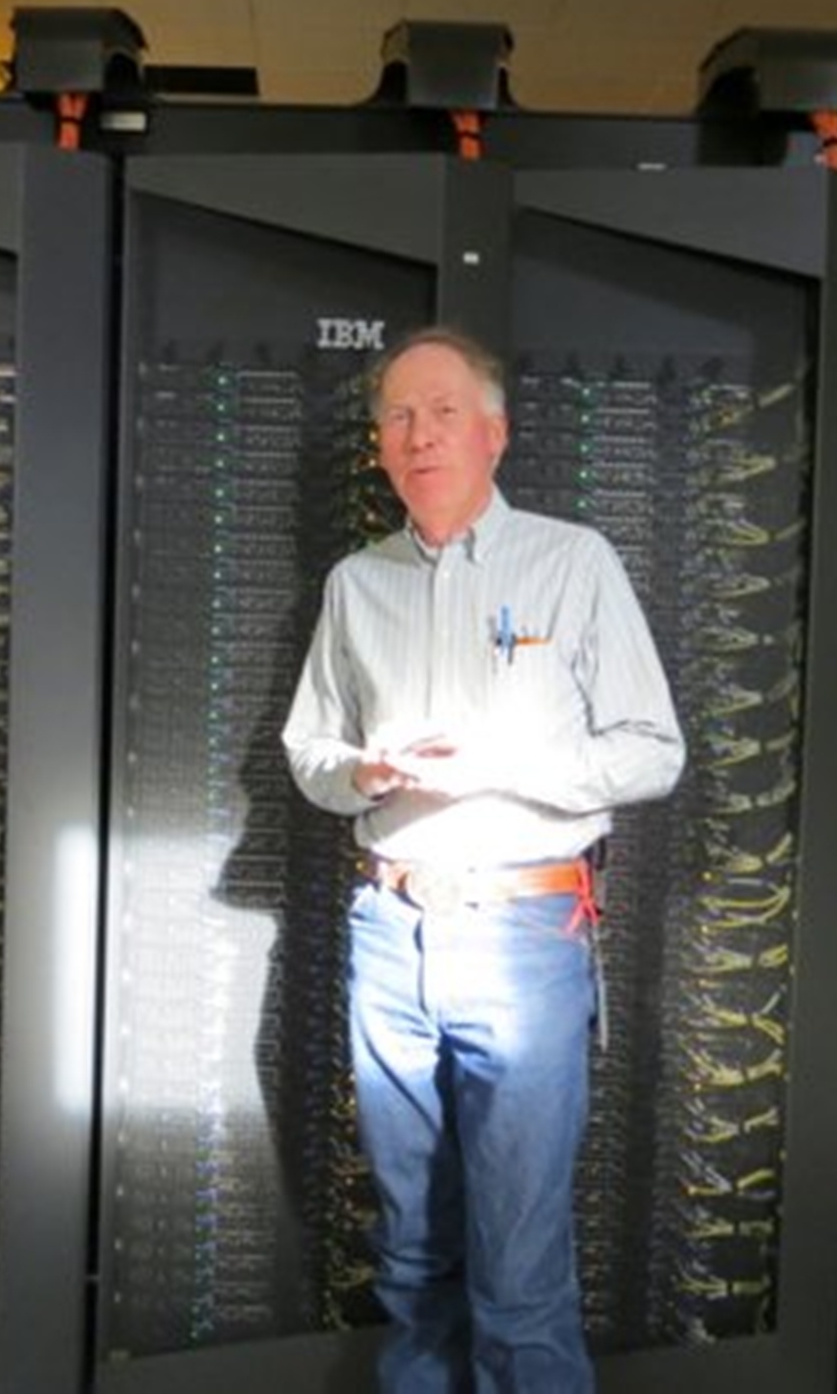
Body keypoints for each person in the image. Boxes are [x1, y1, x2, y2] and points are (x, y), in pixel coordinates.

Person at [282, 327, 685, 1393]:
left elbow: (655, 751)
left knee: (519, 1261)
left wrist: (498, 764)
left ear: (494, 435)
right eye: (400, 417)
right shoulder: (355, 584)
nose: (420, 435)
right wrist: (367, 770)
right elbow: (309, 753)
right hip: (391, 930)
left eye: (444, 412)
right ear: (380, 445)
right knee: (411, 1251)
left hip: (522, 935)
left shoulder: (572, 562)